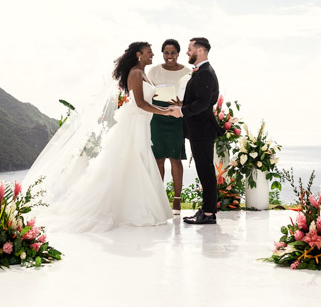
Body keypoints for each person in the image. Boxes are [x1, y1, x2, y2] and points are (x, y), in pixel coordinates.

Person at [29, 41, 173, 232]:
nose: (152, 54)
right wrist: (167, 112)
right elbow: (139, 103)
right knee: (134, 159)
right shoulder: (136, 73)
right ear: (139, 54)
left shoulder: (143, 73)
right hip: (134, 122)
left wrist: (169, 104)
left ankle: (139, 206)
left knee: (138, 159)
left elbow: (146, 101)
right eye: (149, 52)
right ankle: (135, 210)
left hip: (142, 123)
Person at [168, 37, 221, 225]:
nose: (187, 52)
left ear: (200, 50)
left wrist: (181, 111)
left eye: (190, 49)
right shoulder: (201, 71)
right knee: (203, 171)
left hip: (203, 130)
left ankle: (208, 214)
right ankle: (206, 210)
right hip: (199, 129)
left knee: (206, 172)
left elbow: (204, 103)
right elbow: (199, 100)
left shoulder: (205, 72)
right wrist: (182, 105)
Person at [146, 39, 191, 213]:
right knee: (158, 158)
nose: (169, 56)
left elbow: (190, 93)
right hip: (157, 116)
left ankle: (177, 200)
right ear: (162, 53)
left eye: (172, 52)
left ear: (178, 53)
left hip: (177, 116)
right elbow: (148, 92)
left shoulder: (187, 71)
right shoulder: (154, 71)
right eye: (166, 52)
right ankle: (159, 198)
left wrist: (182, 103)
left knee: (175, 157)